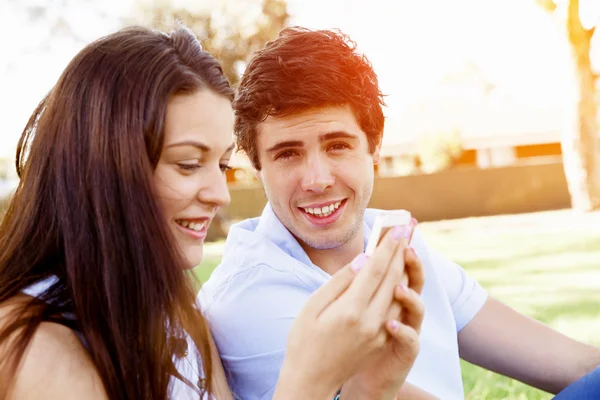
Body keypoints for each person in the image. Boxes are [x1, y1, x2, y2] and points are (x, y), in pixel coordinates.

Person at [0, 26, 424, 399]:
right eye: (187, 164)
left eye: (221, 165)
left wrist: (371, 384)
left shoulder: (173, 312)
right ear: (99, 167)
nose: (219, 194)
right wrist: (305, 382)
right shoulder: (31, 343)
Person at [200, 26, 600, 400]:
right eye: (287, 154)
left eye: (337, 145)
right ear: (256, 165)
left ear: (374, 147)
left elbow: (576, 366)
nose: (317, 179)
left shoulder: (390, 237)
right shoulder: (247, 299)